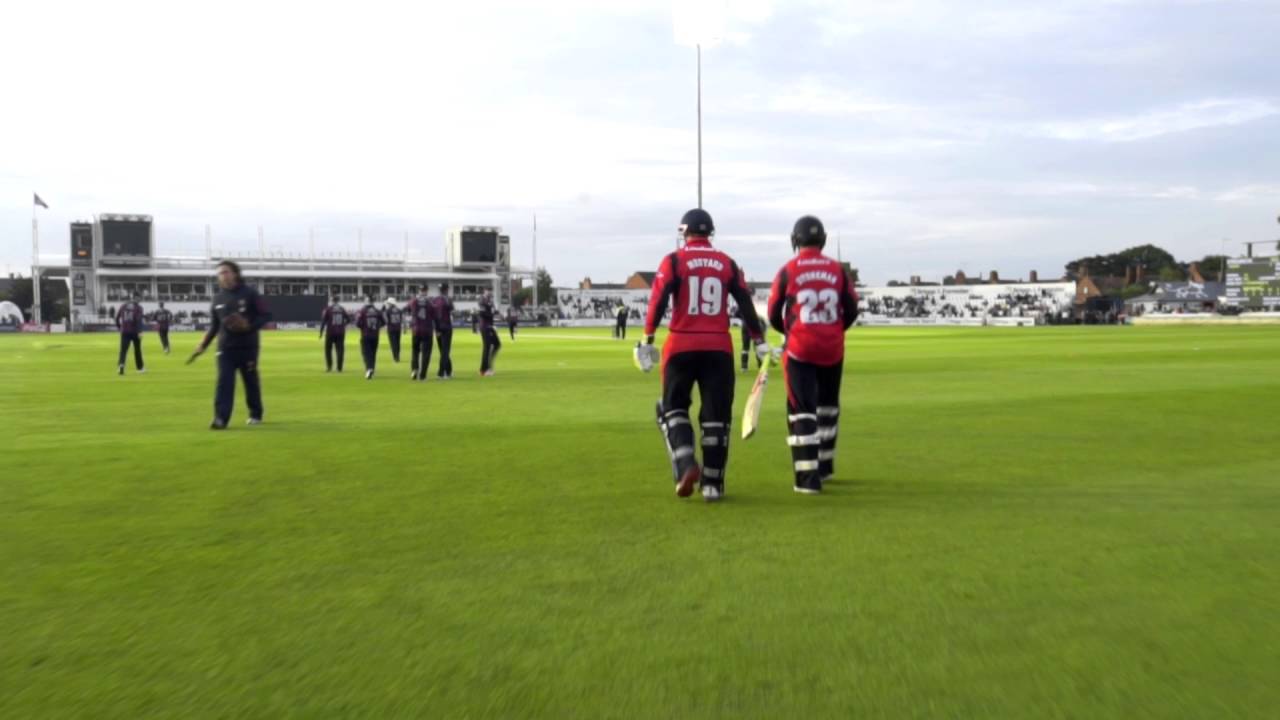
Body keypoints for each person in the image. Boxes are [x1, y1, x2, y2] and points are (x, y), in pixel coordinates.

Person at [641, 208, 772, 502]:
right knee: (717, 418)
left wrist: (647, 338)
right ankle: (713, 485)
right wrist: (759, 340)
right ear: (710, 233)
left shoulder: (674, 260)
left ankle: (687, 464)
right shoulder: (727, 263)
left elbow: (658, 299)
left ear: (684, 232)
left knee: (672, 409)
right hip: (718, 347)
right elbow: (745, 302)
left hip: (681, 344)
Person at [766, 215, 859, 494]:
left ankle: (808, 478)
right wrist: (834, 330)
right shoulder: (838, 270)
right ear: (823, 240)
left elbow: (772, 311)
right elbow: (852, 307)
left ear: (795, 240)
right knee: (828, 406)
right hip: (832, 347)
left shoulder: (788, 269)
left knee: (801, 409)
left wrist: (788, 332)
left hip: (800, 348)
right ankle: (825, 466)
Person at [189, 260, 271, 429]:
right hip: (225, 349)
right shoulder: (217, 298)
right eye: (220, 273)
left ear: (235, 273)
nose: (223, 275)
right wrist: (203, 345)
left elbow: (266, 315)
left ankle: (255, 413)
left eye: (226, 272)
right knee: (224, 382)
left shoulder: (250, 294)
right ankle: (220, 419)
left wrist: (249, 325)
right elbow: (214, 326)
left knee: (250, 381)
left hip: (248, 347)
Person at [405, 286, 434, 381]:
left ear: (419, 291)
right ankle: (423, 375)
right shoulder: (430, 302)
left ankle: (414, 369)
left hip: (416, 329)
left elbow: (406, 309)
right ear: (427, 291)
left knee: (415, 351)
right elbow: (435, 314)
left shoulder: (413, 301)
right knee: (426, 353)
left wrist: (412, 317)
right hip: (427, 330)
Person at [354, 296, 385, 380]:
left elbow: (357, 323)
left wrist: (363, 327)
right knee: (373, 353)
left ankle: (369, 369)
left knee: (366, 353)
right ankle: (372, 369)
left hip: (366, 335)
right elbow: (384, 322)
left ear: (367, 301)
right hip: (375, 335)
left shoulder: (363, 311)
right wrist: (377, 327)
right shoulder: (378, 311)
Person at [115, 293, 146, 375]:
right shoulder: (139, 308)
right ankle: (140, 368)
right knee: (137, 350)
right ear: (137, 298)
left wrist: (119, 327)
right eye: (139, 298)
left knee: (123, 350)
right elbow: (138, 320)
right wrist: (140, 331)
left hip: (125, 331)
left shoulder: (123, 306)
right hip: (135, 332)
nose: (140, 300)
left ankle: (121, 365)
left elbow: (117, 318)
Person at [429, 283, 455, 379]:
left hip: (438, 328)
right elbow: (452, 310)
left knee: (442, 350)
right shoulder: (448, 299)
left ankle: (449, 370)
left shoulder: (434, 300)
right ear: (446, 289)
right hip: (446, 327)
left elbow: (432, 315)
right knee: (445, 351)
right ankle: (442, 372)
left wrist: (436, 328)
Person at [319, 296, 350, 372]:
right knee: (340, 350)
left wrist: (321, 332)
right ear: (338, 301)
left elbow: (323, 321)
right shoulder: (342, 309)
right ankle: (339, 368)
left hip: (330, 332)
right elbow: (348, 319)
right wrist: (343, 325)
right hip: (340, 332)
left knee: (328, 350)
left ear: (332, 301)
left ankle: (329, 367)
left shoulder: (328, 309)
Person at [477, 291, 501, 376]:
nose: (490, 293)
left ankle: (488, 367)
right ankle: (484, 370)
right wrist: (492, 313)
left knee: (497, 344)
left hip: (490, 326)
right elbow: (482, 313)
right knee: (487, 347)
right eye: (488, 291)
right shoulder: (482, 300)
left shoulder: (490, 301)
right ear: (485, 291)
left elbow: (493, 311)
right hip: (485, 326)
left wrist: (496, 312)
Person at [384, 298, 404, 363]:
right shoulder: (399, 310)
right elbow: (402, 319)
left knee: (393, 344)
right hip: (398, 328)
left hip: (391, 329)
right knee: (398, 343)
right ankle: (398, 356)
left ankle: (395, 357)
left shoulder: (388, 310)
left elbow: (386, 320)